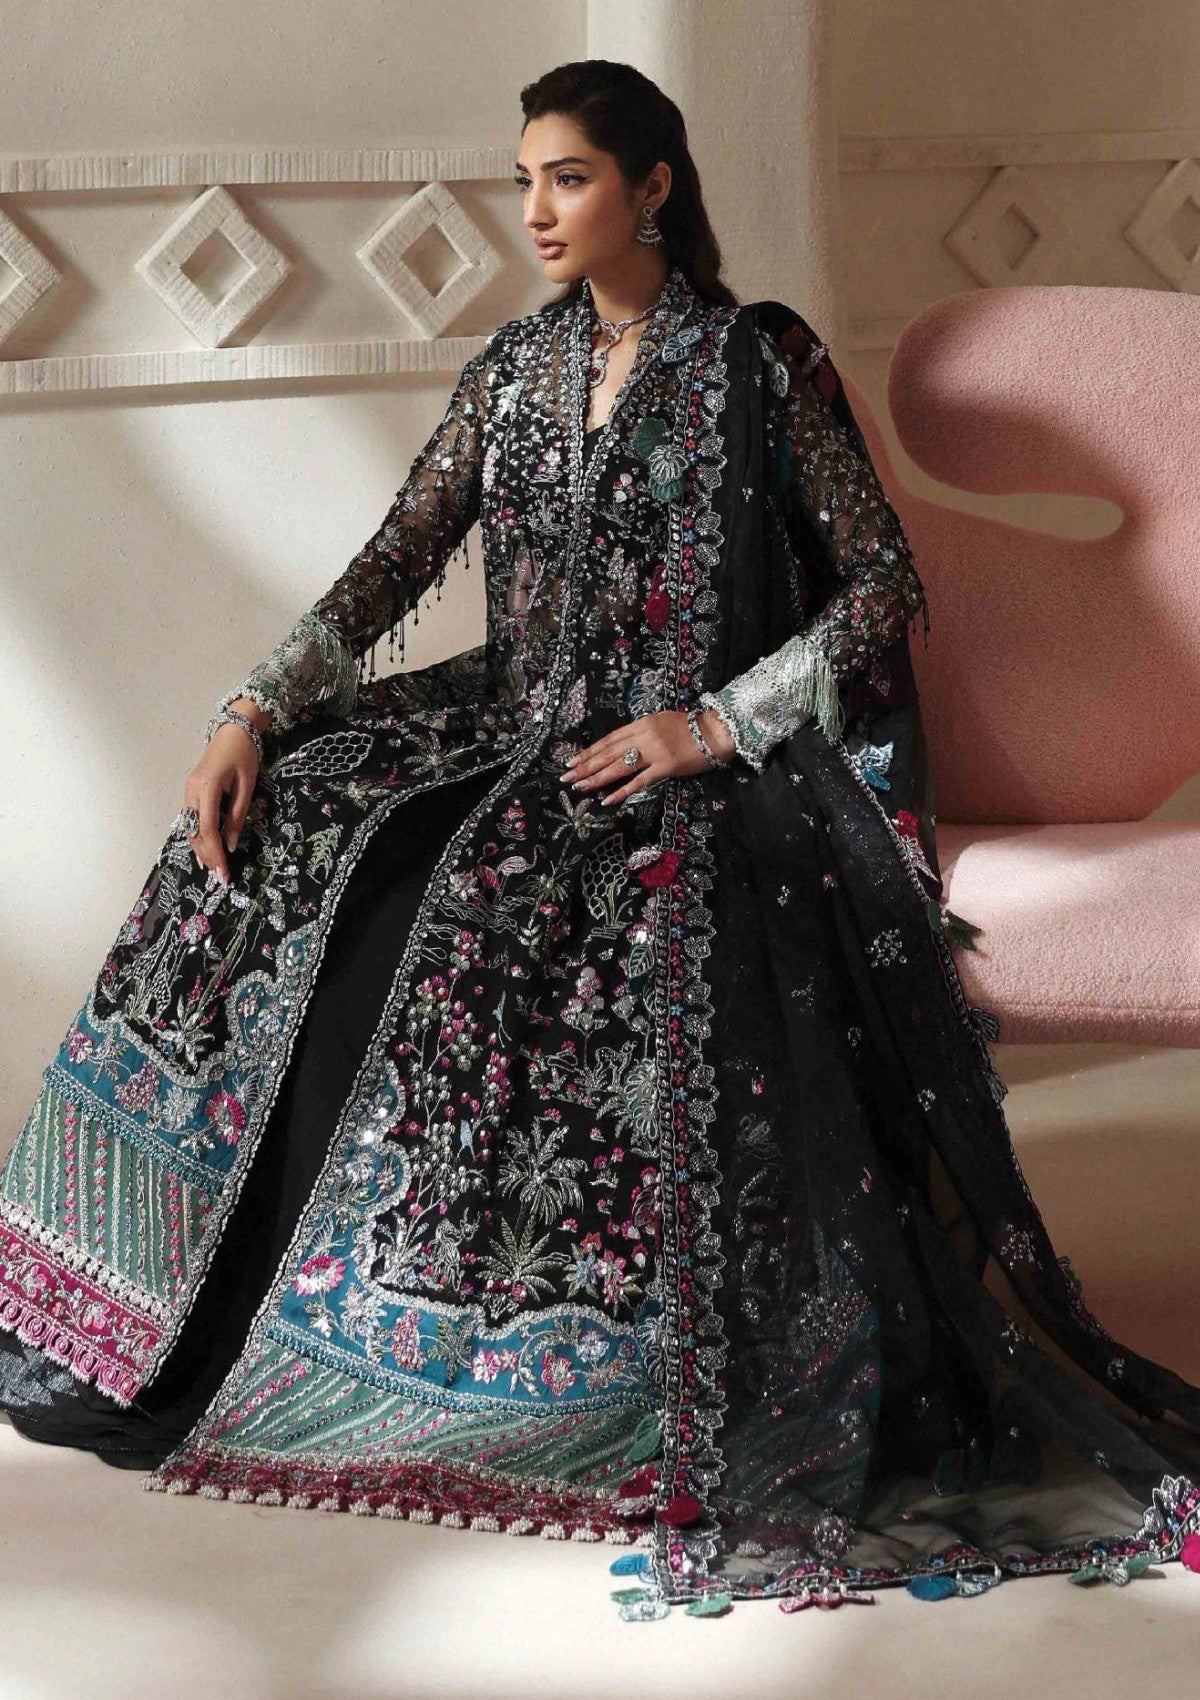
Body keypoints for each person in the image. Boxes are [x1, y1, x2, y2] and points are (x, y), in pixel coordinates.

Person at [2, 59, 1198, 1623]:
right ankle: (163, 1305)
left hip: (684, 752)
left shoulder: (757, 363)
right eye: (525, 180)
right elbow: (395, 560)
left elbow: (880, 591)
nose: (536, 212)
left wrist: (711, 726)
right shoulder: (515, 370)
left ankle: (475, 1368)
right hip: (508, 715)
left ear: (652, 186)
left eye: (567, 178)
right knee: (299, 818)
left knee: (498, 902)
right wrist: (251, 708)